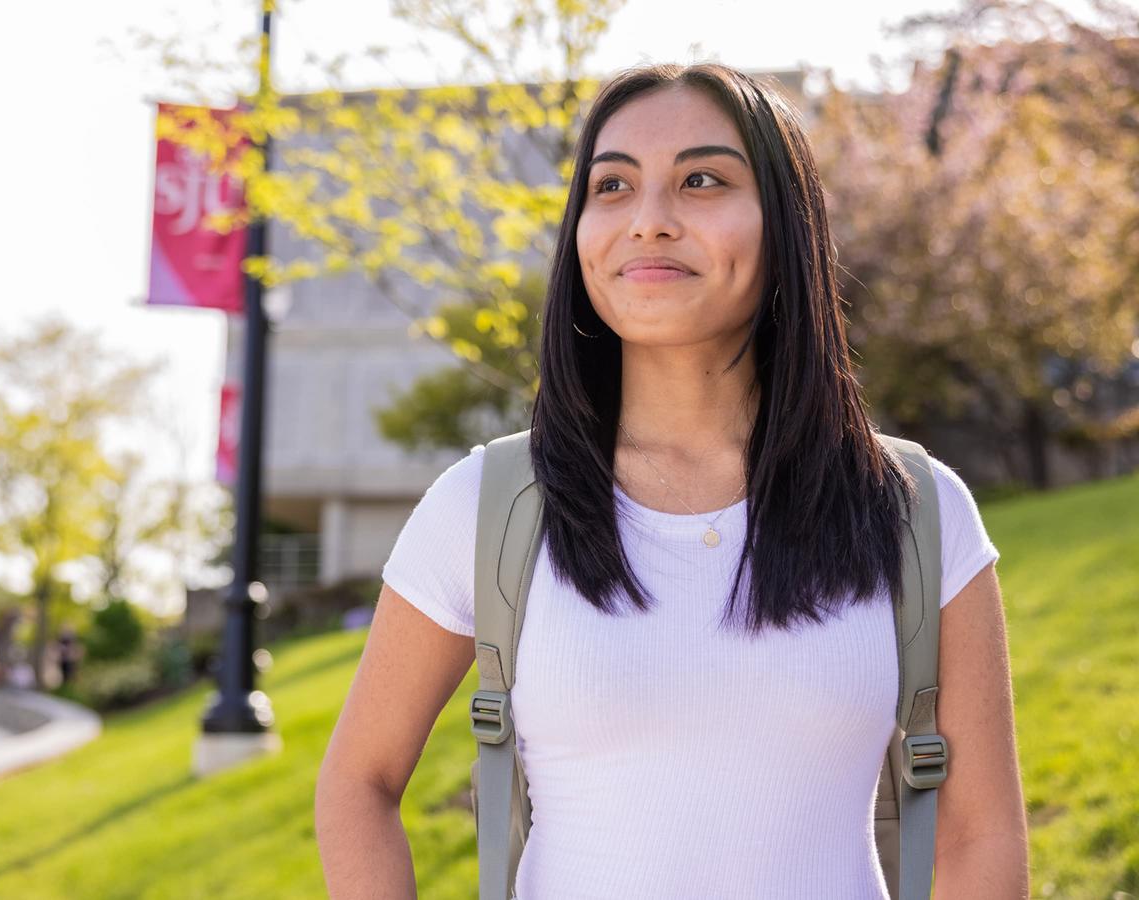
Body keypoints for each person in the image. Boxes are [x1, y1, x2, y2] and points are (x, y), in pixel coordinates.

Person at [315, 62, 1029, 898]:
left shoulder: (916, 509)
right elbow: (358, 782)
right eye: (612, 186)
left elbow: (980, 835)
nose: (648, 221)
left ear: (785, 224)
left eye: (701, 179)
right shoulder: (490, 508)